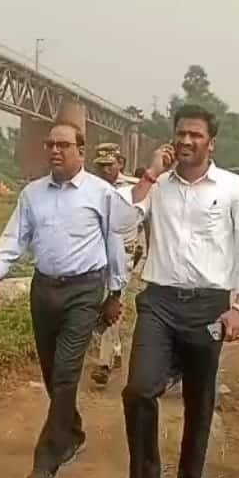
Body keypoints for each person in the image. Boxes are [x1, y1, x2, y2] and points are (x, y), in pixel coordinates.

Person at [118, 104, 239, 478]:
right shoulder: (156, 185)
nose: (186, 141)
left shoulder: (233, 188)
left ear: (210, 143)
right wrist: (149, 174)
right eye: (180, 133)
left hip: (208, 305)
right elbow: (120, 222)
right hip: (159, 300)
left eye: (195, 135)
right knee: (139, 390)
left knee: (199, 402)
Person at [0, 122, 137, 478]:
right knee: (53, 373)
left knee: (66, 372)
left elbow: (115, 245)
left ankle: (48, 458)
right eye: (50, 144)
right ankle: (73, 431)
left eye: (63, 145)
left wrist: (116, 293)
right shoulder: (33, 194)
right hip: (44, 290)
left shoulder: (101, 193)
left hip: (84, 290)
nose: (55, 150)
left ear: (81, 150)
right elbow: (15, 237)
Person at [89, 142, 139, 387]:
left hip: (124, 255)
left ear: (120, 163)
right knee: (100, 302)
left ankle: (104, 362)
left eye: (109, 164)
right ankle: (115, 349)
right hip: (95, 253)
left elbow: (147, 220)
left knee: (113, 300)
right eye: (101, 166)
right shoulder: (90, 188)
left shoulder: (133, 188)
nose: (105, 170)